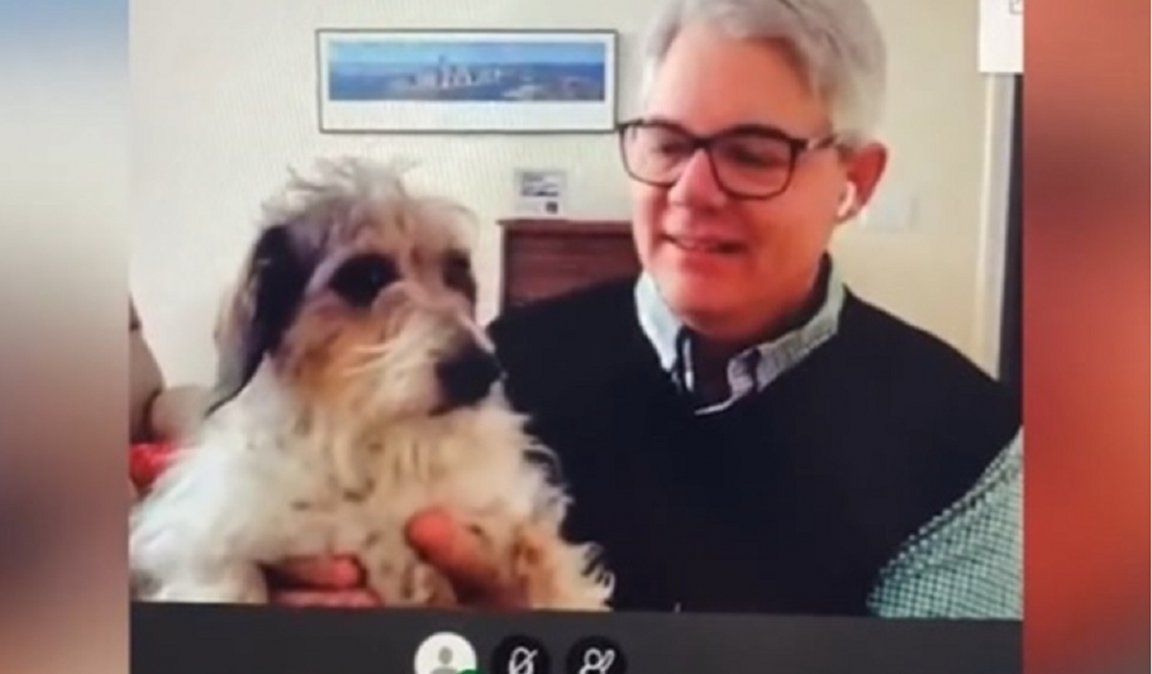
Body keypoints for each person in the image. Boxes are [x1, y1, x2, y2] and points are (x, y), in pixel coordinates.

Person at [268, 0, 1021, 617]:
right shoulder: (498, 370)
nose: (692, 193)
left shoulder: (969, 448)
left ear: (856, 179)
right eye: (665, 143)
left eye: (753, 153)